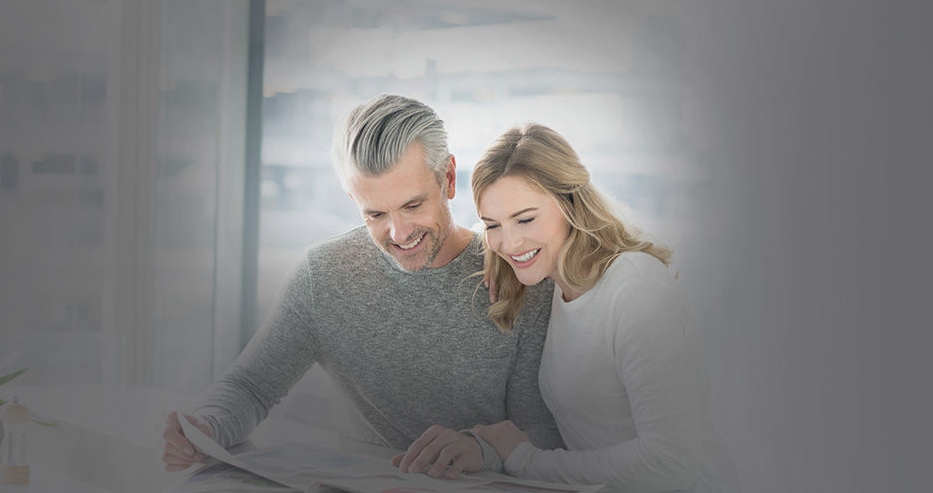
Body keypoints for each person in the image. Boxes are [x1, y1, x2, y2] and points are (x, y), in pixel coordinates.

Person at [160, 95, 563, 479]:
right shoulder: (323, 275)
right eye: (375, 213)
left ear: (450, 178)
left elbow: (543, 432)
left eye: (413, 205)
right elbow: (251, 386)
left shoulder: (515, 275)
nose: (399, 233)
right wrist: (206, 427)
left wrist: (482, 449)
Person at [469, 123, 739, 492]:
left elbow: (670, 463)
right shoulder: (554, 286)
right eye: (492, 225)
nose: (510, 241)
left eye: (526, 219)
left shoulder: (636, 292)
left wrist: (525, 460)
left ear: (570, 204)